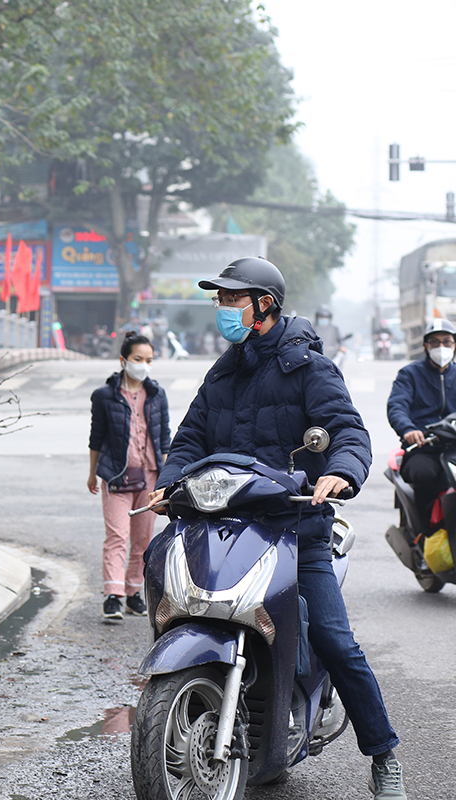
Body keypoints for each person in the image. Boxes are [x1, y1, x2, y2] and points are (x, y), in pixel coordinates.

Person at [147, 257, 406, 800]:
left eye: (231, 300)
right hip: (228, 524)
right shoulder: (223, 372)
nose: (223, 310)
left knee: (335, 642)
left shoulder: (311, 369)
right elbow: (191, 438)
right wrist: (171, 480)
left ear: (264, 304)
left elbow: (348, 431)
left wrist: (338, 471)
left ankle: (384, 755)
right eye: (219, 300)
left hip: (297, 529)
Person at [87, 331, 170, 621]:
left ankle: (134, 593)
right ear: (123, 360)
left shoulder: (157, 396)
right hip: (116, 476)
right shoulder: (104, 396)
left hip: (149, 477)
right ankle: (113, 595)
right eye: (138, 359)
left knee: (143, 540)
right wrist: (92, 474)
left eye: (149, 360)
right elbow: (96, 438)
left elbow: (165, 440)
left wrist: (165, 482)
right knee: (117, 536)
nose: (144, 365)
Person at [386, 317, 456, 528]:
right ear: (426, 346)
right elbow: (397, 406)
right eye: (434, 342)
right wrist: (408, 429)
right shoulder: (410, 374)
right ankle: (426, 533)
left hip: (453, 447)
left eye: (446, 342)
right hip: (423, 448)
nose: (441, 347)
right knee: (425, 475)